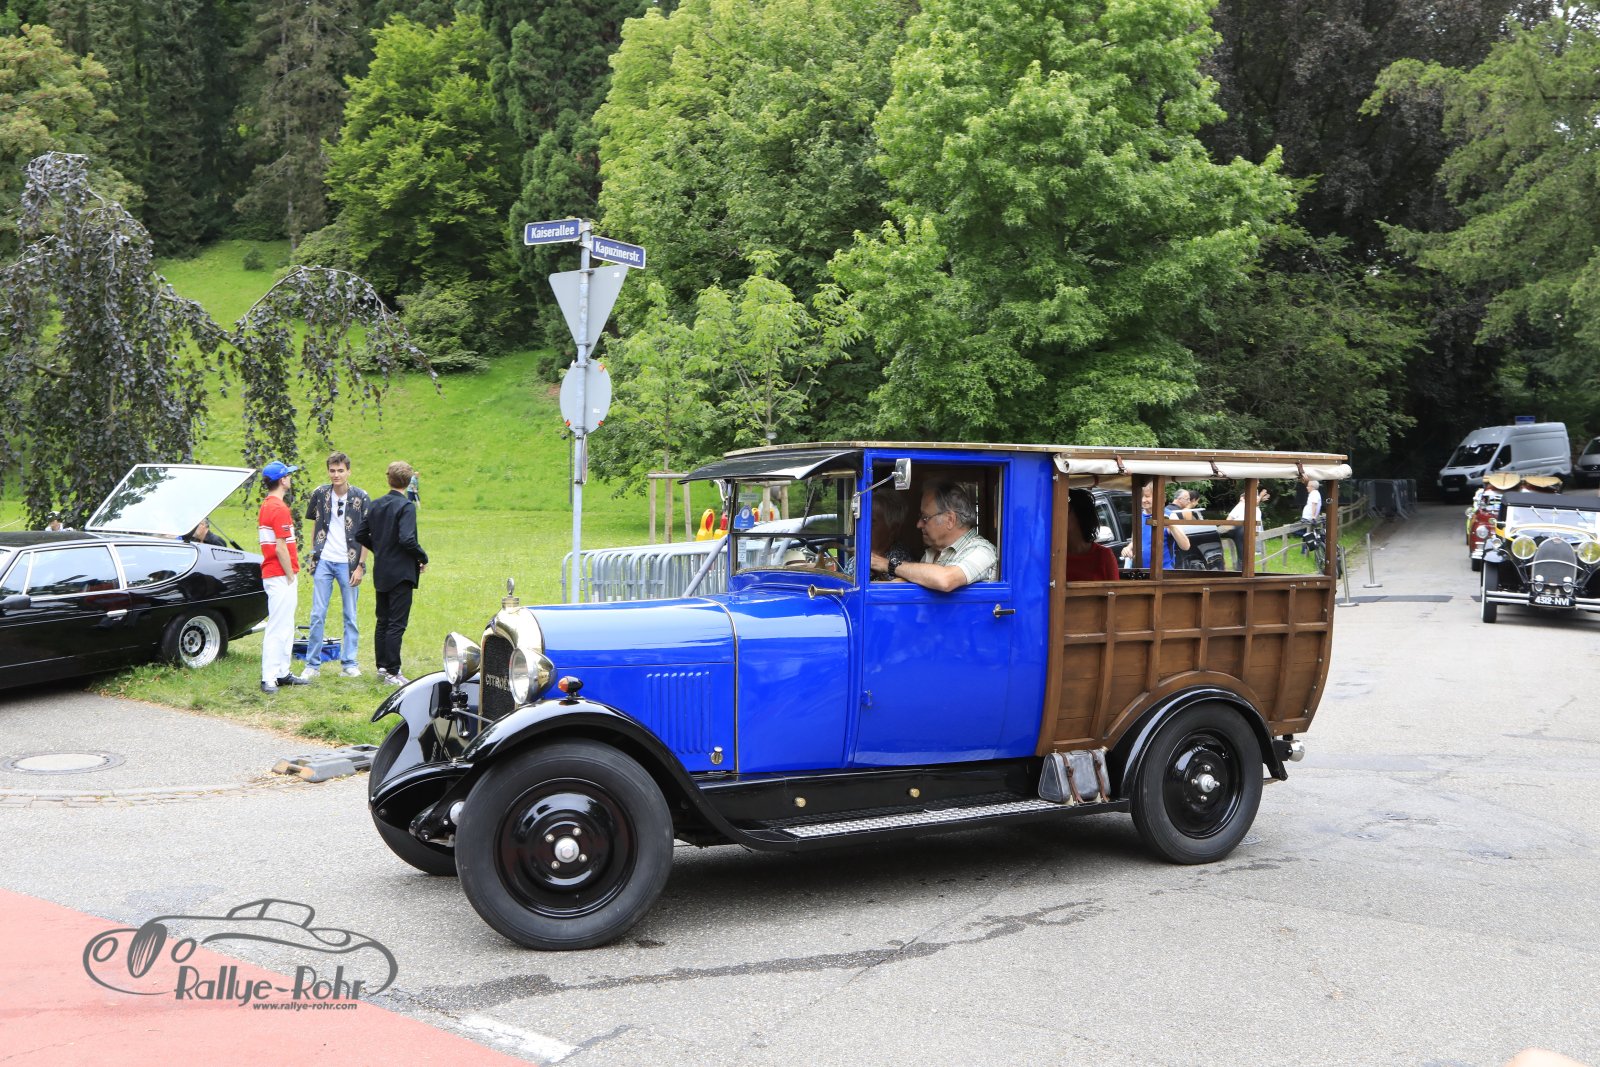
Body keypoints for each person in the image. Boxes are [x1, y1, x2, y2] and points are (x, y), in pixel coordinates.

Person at [298, 452, 371, 680]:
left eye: (340, 470)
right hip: (324, 561)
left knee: (350, 614)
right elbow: (315, 526)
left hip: (348, 563)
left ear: (348, 471)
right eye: (332, 470)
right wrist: (313, 554)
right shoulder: (320, 494)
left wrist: (360, 566)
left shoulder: (361, 497)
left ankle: (349, 663)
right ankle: (312, 665)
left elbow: (367, 535)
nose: (336, 474)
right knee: (317, 614)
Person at [357, 461, 429, 686]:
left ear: (388, 478)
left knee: (383, 620)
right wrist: (422, 556)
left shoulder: (376, 504)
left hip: (382, 570)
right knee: (397, 623)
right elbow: (407, 539)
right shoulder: (406, 507)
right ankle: (393, 671)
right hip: (401, 572)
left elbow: (360, 534)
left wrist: (379, 548)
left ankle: (381, 666)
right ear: (408, 481)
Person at [870, 481, 996, 591]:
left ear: (950, 520)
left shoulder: (982, 551)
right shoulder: (933, 553)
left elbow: (945, 580)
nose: (919, 524)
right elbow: (918, 583)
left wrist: (887, 565)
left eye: (925, 518)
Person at [257, 461, 309, 695]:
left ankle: (282, 672)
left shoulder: (268, 504)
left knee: (286, 625)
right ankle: (269, 677)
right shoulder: (279, 508)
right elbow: (281, 547)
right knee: (278, 626)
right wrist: (290, 575)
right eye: (288, 475)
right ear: (282, 480)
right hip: (280, 574)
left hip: (277, 574)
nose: (290, 478)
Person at [1121, 482, 1191, 569]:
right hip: (1142, 572)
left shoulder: (1169, 515)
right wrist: (1128, 549)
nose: (1143, 500)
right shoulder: (1138, 516)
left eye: (1147, 496)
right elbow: (1135, 541)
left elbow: (1185, 546)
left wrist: (1171, 526)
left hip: (1163, 572)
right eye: (1141, 496)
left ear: (1159, 497)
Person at [1065, 488, 1119, 581]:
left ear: (1081, 515)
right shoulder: (1052, 555)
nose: (1058, 516)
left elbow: (1115, 589)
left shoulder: (1103, 556)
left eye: (1067, 511)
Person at [1226, 487, 1269, 567]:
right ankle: (1241, 570)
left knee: (1246, 556)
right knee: (1243, 556)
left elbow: (1255, 504)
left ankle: (1243, 570)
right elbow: (1228, 519)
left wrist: (1260, 498)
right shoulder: (1241, 505)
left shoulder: (1255, 508)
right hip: (1241, 531)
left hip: (1250, 532)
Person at [1300, 476, 1323, 555]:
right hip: (1308, 517)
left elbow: (1314, 505)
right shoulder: (1315, 493)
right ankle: (1303, 550)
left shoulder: (1314, 494)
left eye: (1308, 486)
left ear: (1312, 487)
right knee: (1306, 533)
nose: (1307, 487)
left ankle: (1305, 550)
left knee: (1301, 532)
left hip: (1308, 517)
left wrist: (1313, 516)